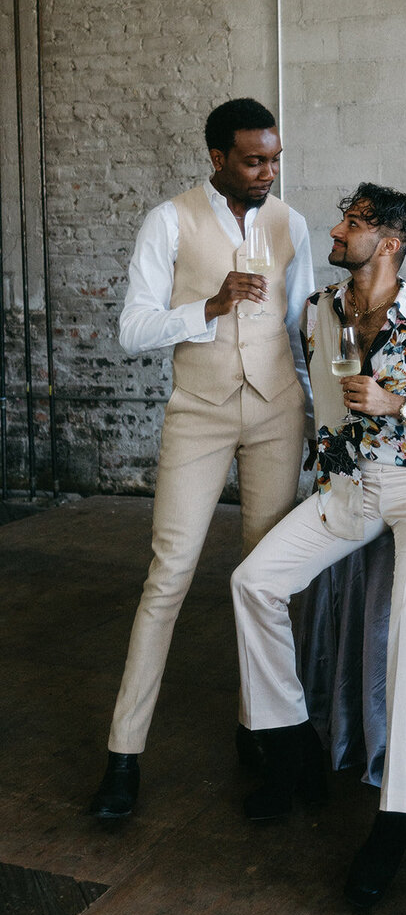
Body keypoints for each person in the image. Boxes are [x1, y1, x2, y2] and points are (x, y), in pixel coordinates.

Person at [230, 182, 406, 910]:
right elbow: (322, 391)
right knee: (253, 583)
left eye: (356, 222)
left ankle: (399, 816)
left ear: (392, 242)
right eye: (344, 219)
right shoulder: (322, 312)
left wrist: (402, 402)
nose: (338, 231)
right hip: (352, 488)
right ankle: (292, 754)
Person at [90, 98, 314, 819]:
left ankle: (261, 728)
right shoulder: (170, 219)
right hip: (200, 413)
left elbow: (305, 324)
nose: (267, 173)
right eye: (254, 160)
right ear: (217, 157)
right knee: (170, 573)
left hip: (278, 411)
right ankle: (124, 754)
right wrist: (208, 308)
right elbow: (131, 329)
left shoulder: (291, 224)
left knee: (264, 577)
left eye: (274, 159)